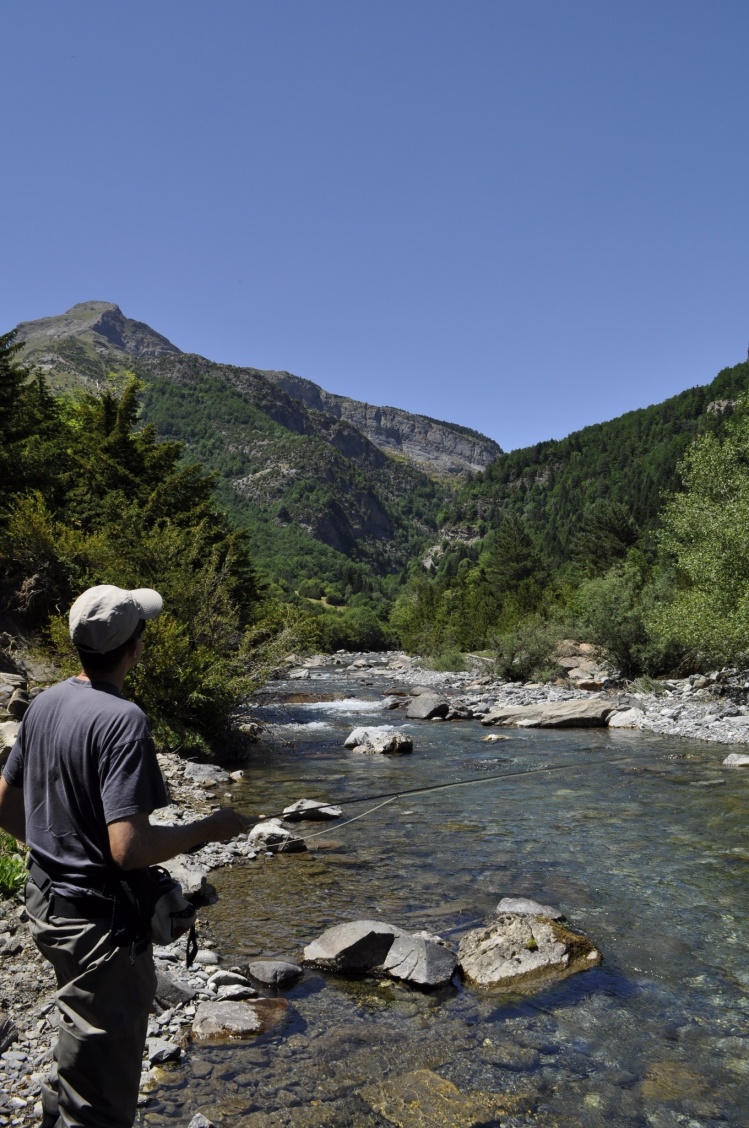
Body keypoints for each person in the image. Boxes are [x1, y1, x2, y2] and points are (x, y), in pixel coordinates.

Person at [0, 584, 250, 1128]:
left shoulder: (44, 702)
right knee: (103, 1097)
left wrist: (58, 853)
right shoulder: (123, 721)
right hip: (96, 924)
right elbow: (129, 848)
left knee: (79, 1040)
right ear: (134, 648)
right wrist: (209, 826)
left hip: (46, 903)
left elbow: (4, 805)